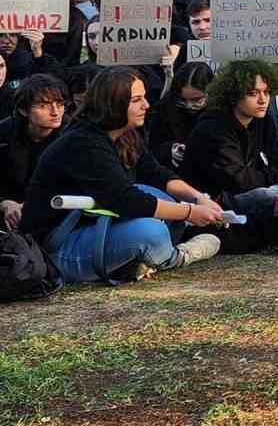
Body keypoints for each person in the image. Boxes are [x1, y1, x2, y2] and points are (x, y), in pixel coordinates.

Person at [20, 67, 225, 283]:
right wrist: (190, 212)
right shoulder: (83, 143)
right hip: (56, 247)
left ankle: (138, 260)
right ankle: (174, 257)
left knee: (162, 196)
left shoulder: (124, 132)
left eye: (144, 97)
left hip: (92, 226)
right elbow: (126, 200)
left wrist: (198, 198)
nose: (146, 105)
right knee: (151, 231)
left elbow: (156, 173)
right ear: (113, 103)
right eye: (136, 100)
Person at [180, 59, 278, 246]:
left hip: (256, 186)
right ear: (233, 96)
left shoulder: (260, 119)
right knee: (272, 194)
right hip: (219, 201)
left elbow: (275, 160)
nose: (263, 100)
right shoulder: (213, 127)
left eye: (266, 92)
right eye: (253, 94)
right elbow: (239, 180)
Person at [0, 74, 70, 230]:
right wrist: (4, 203)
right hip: (9, 212)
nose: (55, 112)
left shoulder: (72, 135)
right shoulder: (5, 133)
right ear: (23, 110)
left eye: (59, 104)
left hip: (56, 212)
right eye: (43, 105)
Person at [145, 62, 213, 169]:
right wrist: (170, 150)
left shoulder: (220, 114)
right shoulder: (164, 109)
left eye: (196, 100)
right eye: (183, 99)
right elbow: (152, 149)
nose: (189, 105)